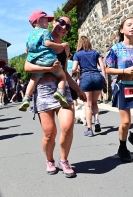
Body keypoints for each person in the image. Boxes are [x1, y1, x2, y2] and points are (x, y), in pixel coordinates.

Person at [25, 16, 86, 178]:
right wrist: (48, 68)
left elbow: (65, 72)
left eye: (68, 26)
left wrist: (78, 89)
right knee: (49, 133)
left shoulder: (65, 48)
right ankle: (49, 160)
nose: (64, 27)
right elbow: (27, 66)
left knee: (67, 126)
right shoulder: (39, 37)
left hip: (62, 89)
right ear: (53, 22)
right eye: (62, 22)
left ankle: (64, 160)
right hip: (43, 90)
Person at [105, 17, 133, 162]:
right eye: (129, 25)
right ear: (121, 29)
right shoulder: (116, 48)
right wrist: (124, 71)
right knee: (125, 122)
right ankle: (122, 147)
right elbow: (107, 69)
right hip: (123, 86)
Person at [19, 10, 69, 112]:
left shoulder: (30, 35)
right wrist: (61, 45)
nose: (48, 23)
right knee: (62, 76)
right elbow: (47, 43)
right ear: (39, 20)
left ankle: (26, 98)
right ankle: (60, 92)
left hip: (36, 62)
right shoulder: (45, 32)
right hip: (49, 59)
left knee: (33, 80)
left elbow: (27, 49)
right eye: (46, 20)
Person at [72, 34, 106, 136]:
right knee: (95, 103)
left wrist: (73, 71)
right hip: (97, 77)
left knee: (88, 105)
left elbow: (74, 68)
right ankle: (96, 120)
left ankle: (89, 129)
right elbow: (102, 66)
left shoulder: (77, 54)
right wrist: (104, 78)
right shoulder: (95, 52)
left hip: (85, 77)